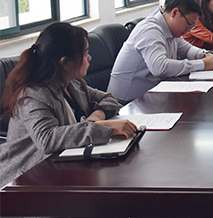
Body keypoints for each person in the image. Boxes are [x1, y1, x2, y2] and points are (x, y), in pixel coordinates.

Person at [0, 22, 138, 187]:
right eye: (85, 54)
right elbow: (47, 139)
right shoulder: (32, 94)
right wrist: (104, 127)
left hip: (64, 166)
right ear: (65, 63)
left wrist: (96, 117)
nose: (90, 58)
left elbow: (109, 100)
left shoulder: (73, 83)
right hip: (26, 178)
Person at [107, 0, 213, 103]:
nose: (188, 30)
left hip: (151, 95)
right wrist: (202, 64)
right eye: (189, 24)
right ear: (175, 13)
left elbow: (187, 49)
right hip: (126, 102)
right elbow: (160, 67)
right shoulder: (150, 30)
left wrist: (205, 55)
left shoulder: (171, 31)